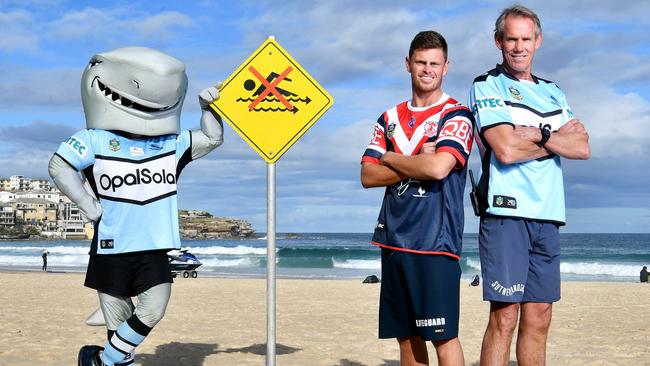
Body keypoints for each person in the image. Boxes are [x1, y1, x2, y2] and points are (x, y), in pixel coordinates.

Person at [48, 47, 224, 366]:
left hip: (154, 247)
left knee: (154, 309)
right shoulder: (93, 140)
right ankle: (114, 358)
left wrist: (208, 110)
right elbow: (60, 165)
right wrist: (86, 202)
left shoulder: (169, 145)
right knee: (117, 321)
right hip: (111, 247)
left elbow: (211, 139)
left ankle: (103, 359)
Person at [468, 5, 590, 366]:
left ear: (537, 41)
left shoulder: (554, 92)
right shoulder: (487, 84)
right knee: (504, 317)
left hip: (549, 215)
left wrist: (538, 133)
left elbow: (582, 147)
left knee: (539, 317)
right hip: (506, 213)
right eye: (511, 39)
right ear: (498, 41)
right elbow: (504, 149)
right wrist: (555, 140)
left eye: (526, 38)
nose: (518, 47)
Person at [361, 30, 474, 366]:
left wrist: (391, 157)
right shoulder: (389, 118)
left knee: (443, 336)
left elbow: (439, 168)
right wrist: (415, 160)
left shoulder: (456, 115)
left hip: (435, 241)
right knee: (407, 339)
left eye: (435, 63)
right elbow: (368, 176)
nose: (428, 69)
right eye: (421, 62)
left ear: (446, 67)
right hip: (394, 239)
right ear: (407, 64)